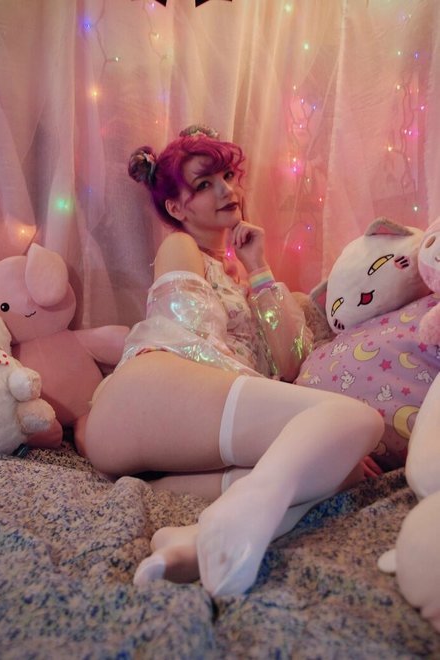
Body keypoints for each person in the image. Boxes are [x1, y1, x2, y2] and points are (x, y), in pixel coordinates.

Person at [83, 125, 384, 598]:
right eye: (205, 184)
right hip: (146, 391)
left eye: (227, 176)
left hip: (173, 436)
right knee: (359, 420)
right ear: (176, 208)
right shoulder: (181, 247)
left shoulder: (240, 280)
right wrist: (313, 421)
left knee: (337, 470)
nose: (227, 190)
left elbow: (292, 360)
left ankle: (192, 541)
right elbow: (189, 336)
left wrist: (258, 267)